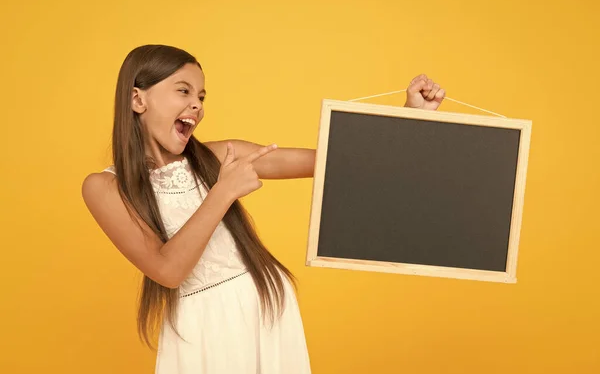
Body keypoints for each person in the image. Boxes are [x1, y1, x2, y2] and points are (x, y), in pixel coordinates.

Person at [81, 44, 445, 373]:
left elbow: (337, 163)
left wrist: (411, 118)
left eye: (202, 96)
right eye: (183, 91)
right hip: (206, 330)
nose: (197, 105)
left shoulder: (220, 156)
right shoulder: (105, 187)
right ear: (137, 100)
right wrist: (223, 192)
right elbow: (168, 270)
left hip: (268, 313)